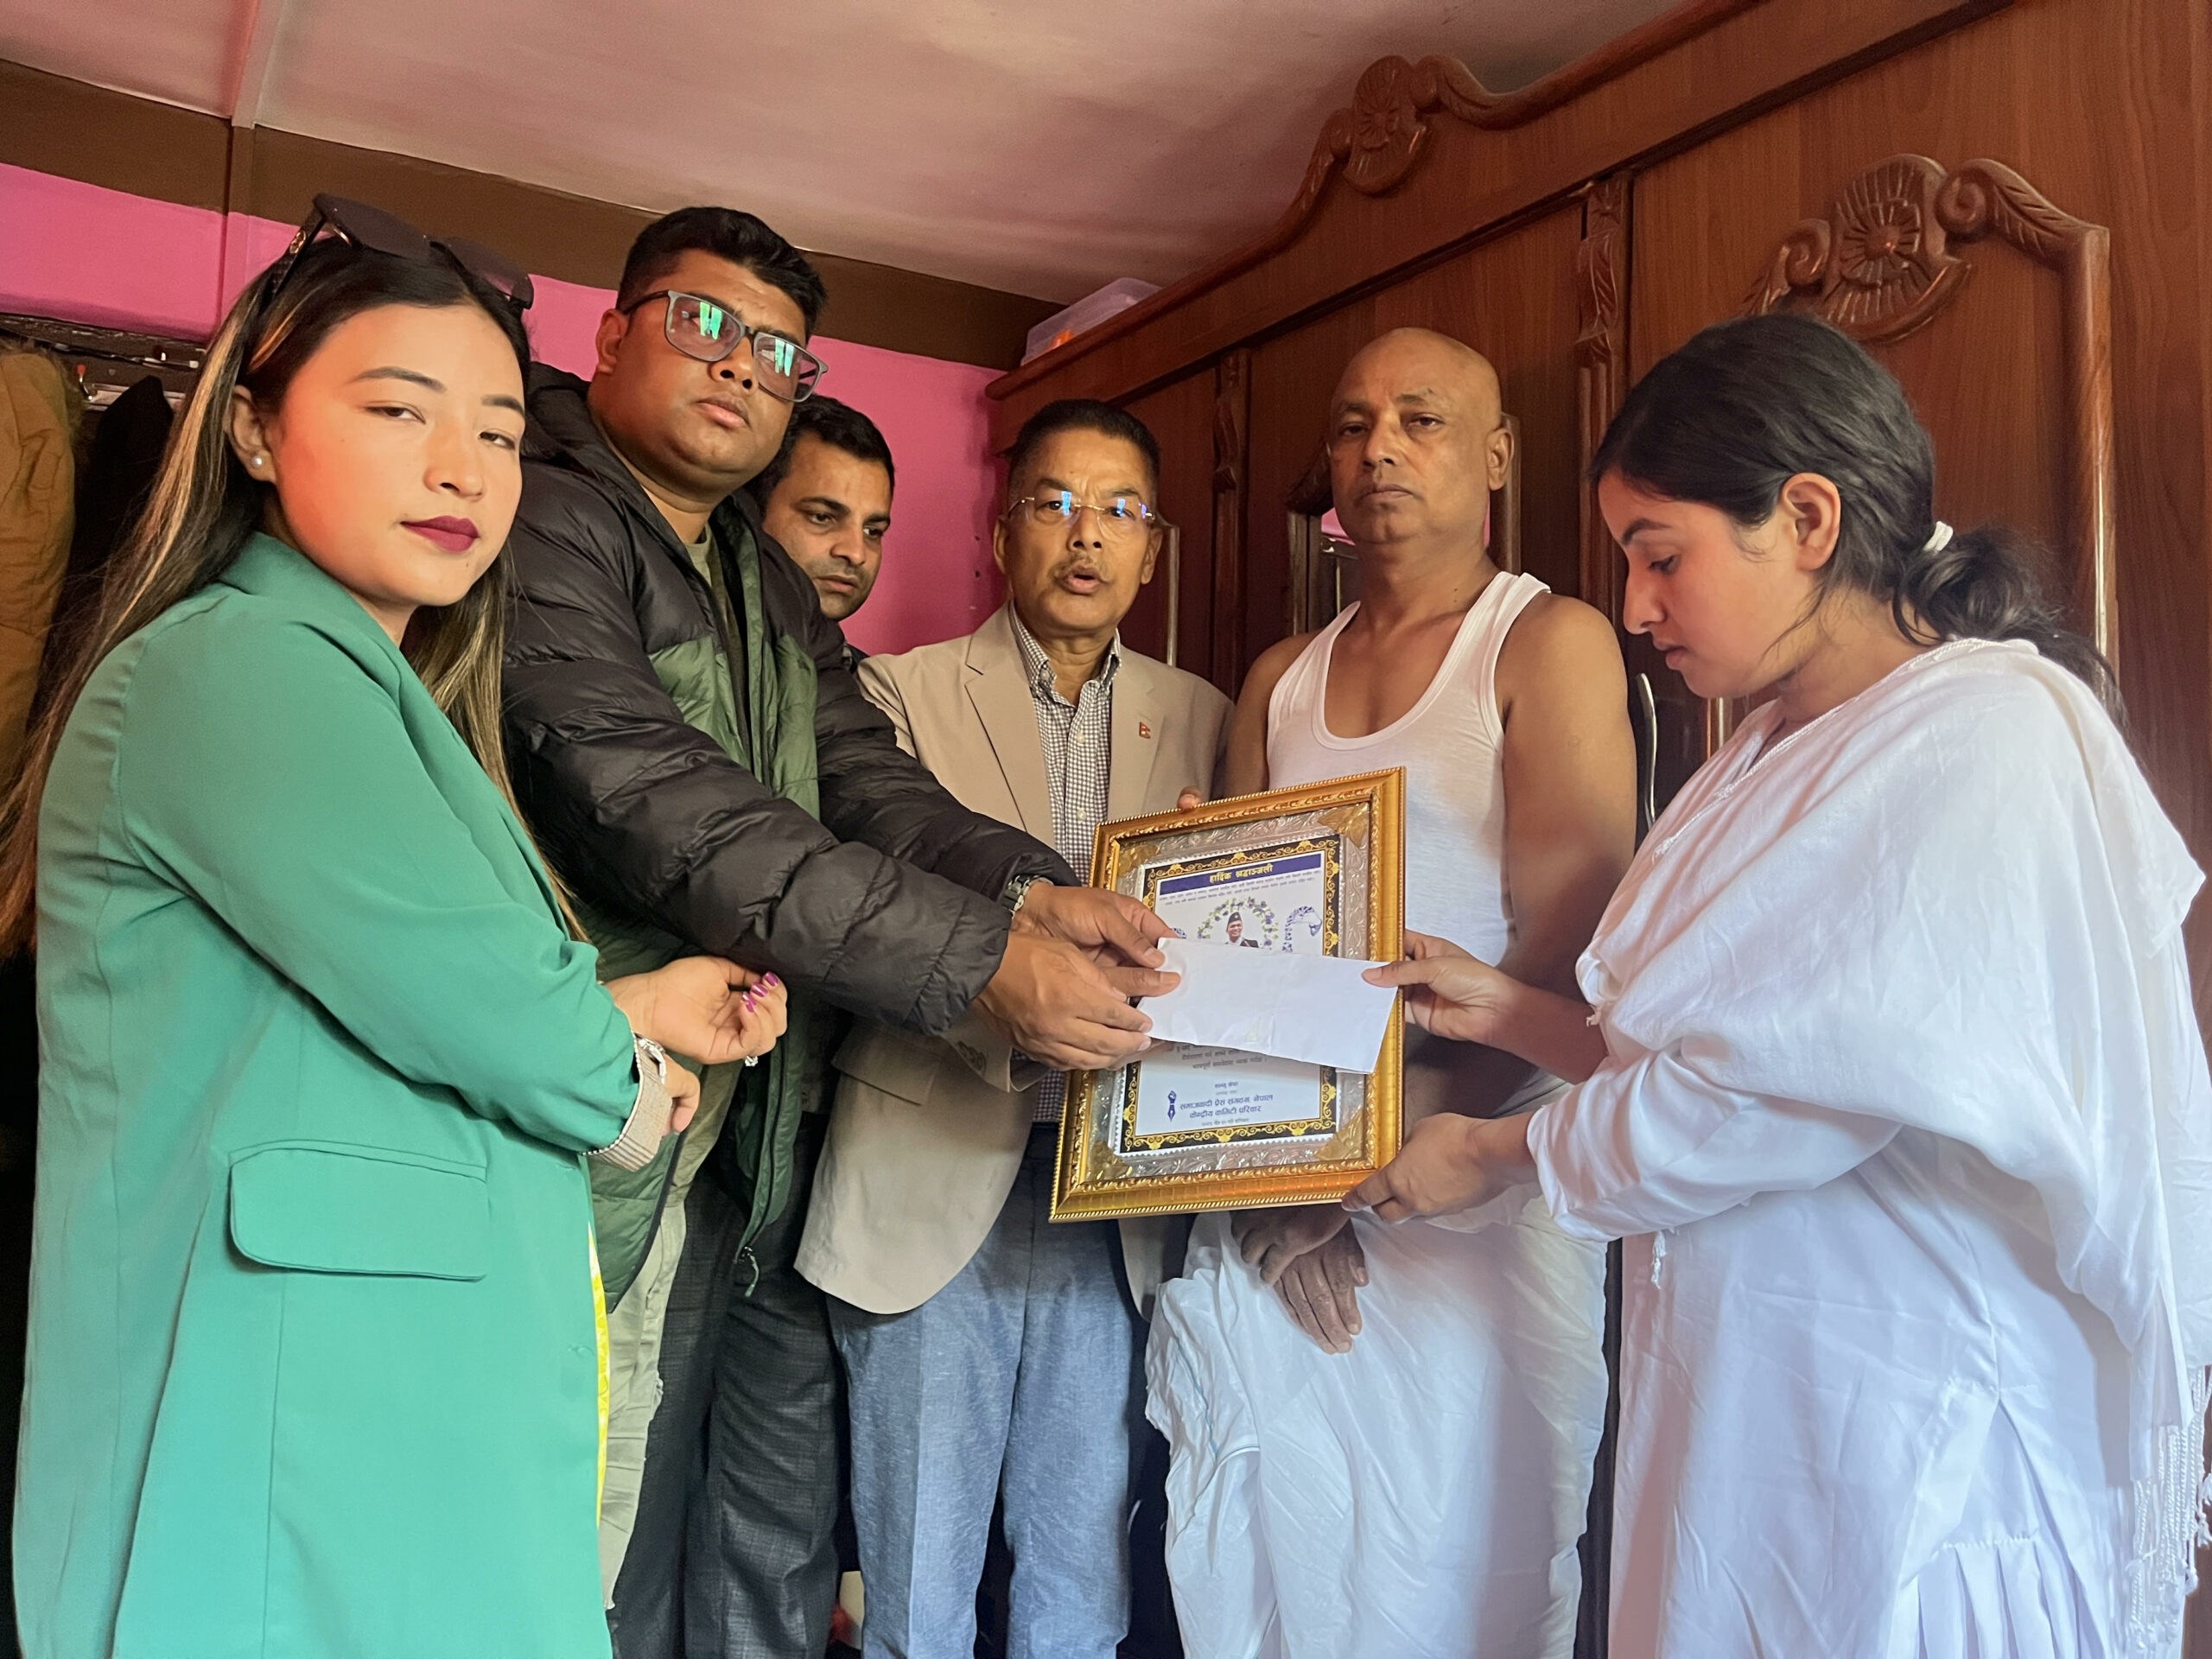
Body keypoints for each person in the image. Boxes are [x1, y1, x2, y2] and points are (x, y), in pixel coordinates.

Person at [1350, 312, 2212, 1659]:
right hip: (1758, 1391)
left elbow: (1774, 1104)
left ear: (1807, 519)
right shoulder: (1762, 751)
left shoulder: (1984, 737)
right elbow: (1712, 1052)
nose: (1637, 607)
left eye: (1662, 556)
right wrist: (1514, 1012)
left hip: (1912, 1405)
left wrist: (1497, 1153)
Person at [3, 197, 785, 1659]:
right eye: (397, 409)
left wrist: (620, 1008)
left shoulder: (349, 684)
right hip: (297, 1412)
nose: (461, 469)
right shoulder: (242, 665)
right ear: (254, 430)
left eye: (499, 431)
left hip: (363, 1394)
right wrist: (620, 1079)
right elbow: (494, 1007)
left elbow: (381, 999)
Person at [499, 208, 1173, 1658]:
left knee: (776, 1542)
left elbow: (865, 779)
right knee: (598, 1536)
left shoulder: (754, 574)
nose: (741, 364)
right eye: (703, 322)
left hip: (762, 1134)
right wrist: (983, 963)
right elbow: (666, 810)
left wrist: (1027, 891)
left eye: (777, 348)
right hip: (608, 1113)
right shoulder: (541, 517)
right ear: (611, 335)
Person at [1147, 327, 1635, 1659]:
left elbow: (1566, 970)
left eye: (1421, 420)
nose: (1380, 451)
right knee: (1262, 1574)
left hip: (1471, 1185)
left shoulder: (1545, 645)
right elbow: (1236, 977)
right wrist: (1281, 1191)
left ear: (1497, 456)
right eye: (1355, 425)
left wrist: (1356, 1179)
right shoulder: (1279, 680)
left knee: (1458, 1581)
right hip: (1280, 1199)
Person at [798, 398, 1230, 1659]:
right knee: (915, 1595)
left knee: (1081, 1590)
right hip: (933, 1179)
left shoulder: (1211, 720)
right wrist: (1017, 1007)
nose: (1086, 535)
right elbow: (860, 924)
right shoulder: (894, 694)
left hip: (1114, 1208)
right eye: (1055, 503)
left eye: (1120, 510)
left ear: (1153, 548)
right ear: (999, 534)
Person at [745, 392, 893, 627]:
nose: (856, 554)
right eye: (822, 517)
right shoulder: (692, 643)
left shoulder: (855, 661)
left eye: (872, 531)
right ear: (751, 510)